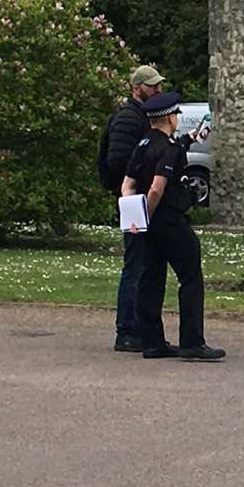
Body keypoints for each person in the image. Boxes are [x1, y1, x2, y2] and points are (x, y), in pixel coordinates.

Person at [122, 91, 226, 361]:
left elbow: (128, 184)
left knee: (151, 278)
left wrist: (135, 217)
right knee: (190, 276)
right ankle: (192, 342)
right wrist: (149, 213)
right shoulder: (166, 149)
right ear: (169, 117)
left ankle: (152, 342)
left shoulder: (143, 144)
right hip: (168, 219)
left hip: (146, 224)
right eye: (176, 115)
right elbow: (157, 187)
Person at [97, 64, 165, 352]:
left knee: (144, 264)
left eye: (158, 85)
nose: (157, 90)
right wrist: (140, 180)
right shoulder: (128, 118)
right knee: (135, 265)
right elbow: (118, 160)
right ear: (137, 88)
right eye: (151, 86)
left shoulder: (142, 118)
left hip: (138, 196)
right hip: (133, 199)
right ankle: (127, 329)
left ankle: (140, 326)